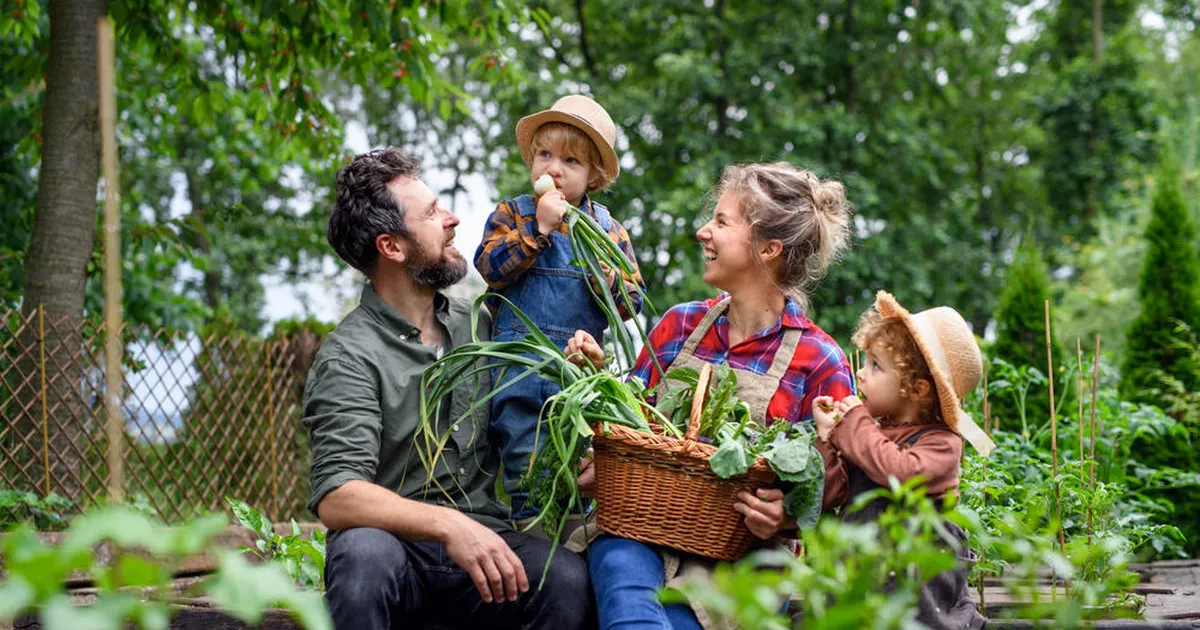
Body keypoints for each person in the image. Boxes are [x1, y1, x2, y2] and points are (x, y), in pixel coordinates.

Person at [305, 148, 592, 630]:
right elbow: (338, 495)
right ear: (392, 247)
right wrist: (449, 525)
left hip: (487, 553)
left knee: (561, 578)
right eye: (434, 213)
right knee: (362, 556)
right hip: (399, 553)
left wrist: (575, 380)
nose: (454, 219)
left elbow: (531, 417)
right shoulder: (348, 355)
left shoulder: (484, 326)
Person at [569, 162, 856, 630]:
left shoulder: (818, 358)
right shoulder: (678, 326)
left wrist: (786, 515)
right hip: (641, 530)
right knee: (627, 596)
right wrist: (599, 388)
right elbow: (631, 425)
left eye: (722, 222)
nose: (703, 232)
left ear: (768, 248)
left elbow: (841, 477)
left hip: (742, 560)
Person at [474, 94, 645, 529]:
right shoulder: (513, 214)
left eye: (571, 161)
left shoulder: (609, 231)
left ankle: (577, 539)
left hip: (579, 376)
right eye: (545, 155)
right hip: (519, 371)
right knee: (529, 468)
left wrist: (607, 279)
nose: (554, 168)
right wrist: (540, 229)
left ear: (594, 177)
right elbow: (489, 267)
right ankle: (536, 538)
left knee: (581, 468)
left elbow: (632, 302)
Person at [813, 291, 995, 630]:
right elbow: (831, 494)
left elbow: (900, 473)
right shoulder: (872, 432)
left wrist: (855, 425)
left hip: (918, 594)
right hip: (863, 579)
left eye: (876, 366)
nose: (861, 374)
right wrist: (827, 439)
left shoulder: (942, 443)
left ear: (916, 389)